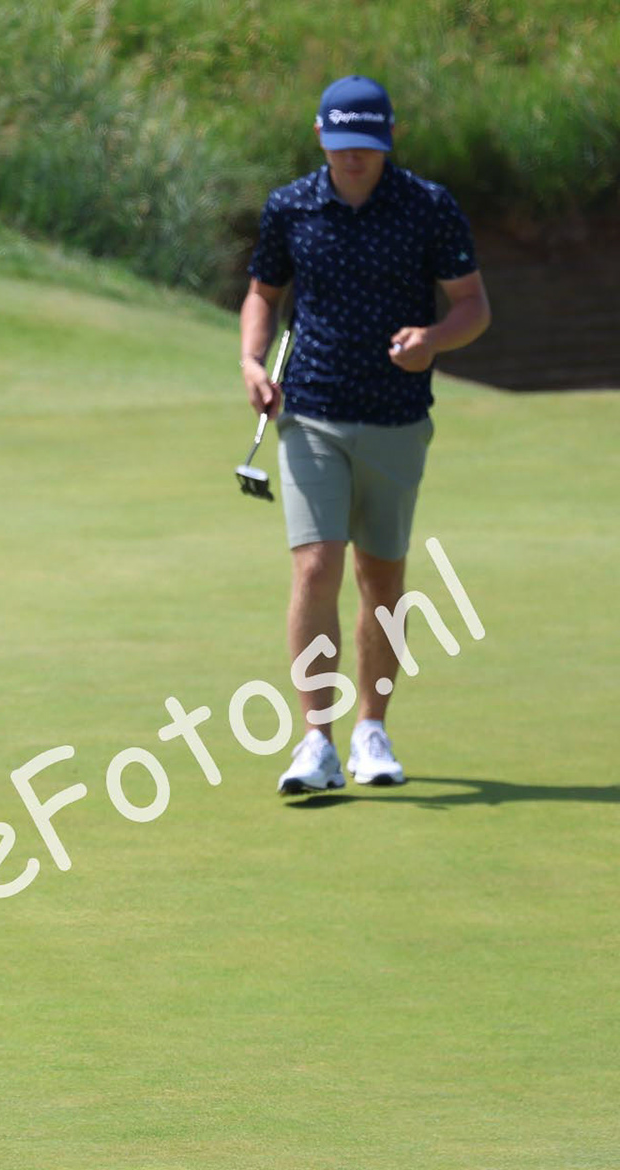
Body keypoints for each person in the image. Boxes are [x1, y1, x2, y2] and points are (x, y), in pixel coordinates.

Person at [239, 75, 490, 795]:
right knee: (315, 566)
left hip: (396, 416)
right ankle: (315, 740)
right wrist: (252, 360)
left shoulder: (428, 206)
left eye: (368, 145)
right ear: (322, 136)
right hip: (310, 411)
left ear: (389, 138)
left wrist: (433, 339)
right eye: (343, 143)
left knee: (381, 576)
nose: (355, 157)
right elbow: (263, 293)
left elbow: (472, 306)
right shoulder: (290, 206)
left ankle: (371, 731)